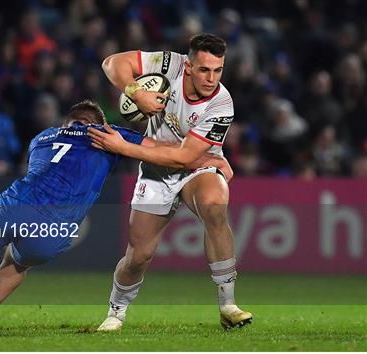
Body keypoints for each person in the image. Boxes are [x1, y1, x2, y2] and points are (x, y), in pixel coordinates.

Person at [0, 100, 232, 333]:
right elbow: (166, 151)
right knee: (17, 263)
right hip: (54, 229)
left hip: (14, 204)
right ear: (97, 123)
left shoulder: (42, 137)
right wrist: (212, 157)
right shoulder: (112, 135)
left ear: (68, 122)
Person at [88, 33, 252, 331]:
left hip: (196, 166)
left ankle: (228, 305)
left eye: (218, 70)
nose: (211, 78)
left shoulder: (221, 105)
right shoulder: (169, 65)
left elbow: (183, 158)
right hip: (155, 170)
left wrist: (122, 147)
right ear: (188, 66)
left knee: (214, 203)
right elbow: (112, 63)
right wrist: (136, 92)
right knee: (139, 255)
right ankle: (116, 311)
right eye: (204, 70)